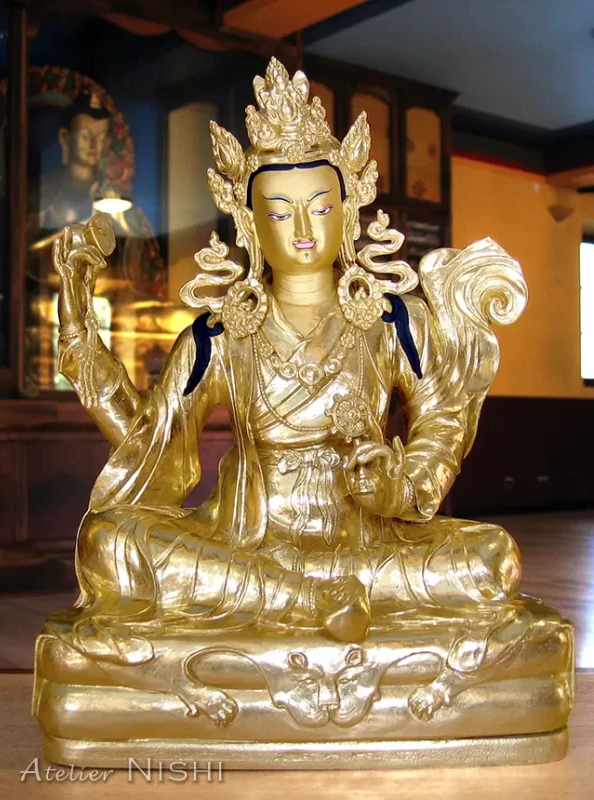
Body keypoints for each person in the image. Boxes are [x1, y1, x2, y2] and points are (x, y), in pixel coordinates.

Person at [51, 60, 528, 698]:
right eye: (280, 212)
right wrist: (79, 328)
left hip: (369, 547)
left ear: (348, 212)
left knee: (492, 560)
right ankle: (311, 599)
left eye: (320, 207)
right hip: (248, 548)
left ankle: (309, 599)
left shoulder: (392, 321)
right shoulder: (220, 335)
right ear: (249, 224)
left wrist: (400, 486)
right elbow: (150, 439)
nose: (303, 231)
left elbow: (440, 424)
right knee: (109, 541)